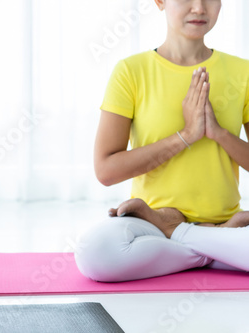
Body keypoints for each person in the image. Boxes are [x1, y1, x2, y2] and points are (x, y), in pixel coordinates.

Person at [75, 0, 249, 282]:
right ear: (160, 2)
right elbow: (106, 171)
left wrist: (217, 133)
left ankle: (179, 235)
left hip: (218, 219)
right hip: (150, 223)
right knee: (94, 252)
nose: (199, 8)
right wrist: (186, 136)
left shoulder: (243, 72)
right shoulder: (131, 71)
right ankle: (217, 246)